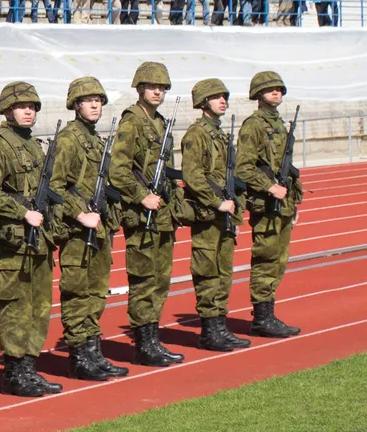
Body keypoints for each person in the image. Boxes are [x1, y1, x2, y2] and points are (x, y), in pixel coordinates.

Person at [0, 83, 61, 396]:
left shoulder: (31, 143)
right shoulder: (0, 145)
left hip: (39, 239)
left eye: (32, 106)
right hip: (17, 240)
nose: (28, 111)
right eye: (21, 106)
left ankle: (29, 366)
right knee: (16, 307)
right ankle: (14, 372)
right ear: (7, 110)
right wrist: (21, 212)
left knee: (40, 306)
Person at [111, 61, 189, 366]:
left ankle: (153, 338)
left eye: (162, 88)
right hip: (142, 215)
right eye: (152, 86)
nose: (158, 92)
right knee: (144, 279)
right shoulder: (132, 122)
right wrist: (142, 196)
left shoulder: (159, 122)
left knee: (161, 278)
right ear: (140, 88)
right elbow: (118, 170)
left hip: (163, 215)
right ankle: (143, 344)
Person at [51, 77, 124, 381]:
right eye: (88, 100)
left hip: (99, 230)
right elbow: (55, 187)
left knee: (96, 293)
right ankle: (79, 356)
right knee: (78, 293)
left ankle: (93, 351)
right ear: (76, 105)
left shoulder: (94, 139)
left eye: (98, 100)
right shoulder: (69, 139)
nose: (95, 105)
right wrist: (79, 214)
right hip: (78, 233)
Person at [178, 78, 248, 352]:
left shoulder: (220, 134)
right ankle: (209, 330)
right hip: (208, 216)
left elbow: (231, 177)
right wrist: (216, 202)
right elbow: (192, 175)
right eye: (216, 97)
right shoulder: (197, 134)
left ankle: (219, 325)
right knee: (207, 272)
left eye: (224, 96)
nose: (223, 100)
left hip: (225, 215)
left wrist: (234, 211)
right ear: (203, 102)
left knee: (224, 272)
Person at [236, 71, 303, 338]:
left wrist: (292, 200)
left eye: (279, 89)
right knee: (266, 260)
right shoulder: (254, 125)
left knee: (278, 262)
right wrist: (269, 187)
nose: (276, 93)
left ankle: (268, 314)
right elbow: (243, 168)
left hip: (282, 205)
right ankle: (261, 318)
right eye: (270, 89)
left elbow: (286, 169)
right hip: (267, 205)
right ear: (258, 95)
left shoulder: (278, 123)